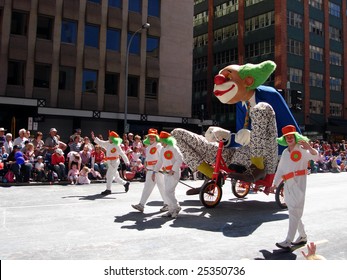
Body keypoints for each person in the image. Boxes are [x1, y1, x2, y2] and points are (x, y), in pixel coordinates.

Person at [172, 60, 300, 189]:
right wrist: (227, 137)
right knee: (177, 134)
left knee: (261, 109)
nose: (220, 81)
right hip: (238, 157)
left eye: (227, 77)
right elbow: (241, 139)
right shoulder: (240, 103)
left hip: (268, 156)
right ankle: (213, 177)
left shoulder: (269, 95)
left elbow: (295, 136)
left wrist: (291, 155)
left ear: (248, 81)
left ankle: (257, 168)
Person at [271, 125, 319, 250]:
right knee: (294, 212)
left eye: (291, 136)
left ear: (295, 137)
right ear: (285, 140)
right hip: (287, 185)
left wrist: (309, 148)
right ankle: (302, 236)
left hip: (299, 184)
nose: (289, 139)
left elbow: (316, 157)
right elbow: (280, 170)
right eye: (287, 137)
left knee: (293, 212)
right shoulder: (285, 153)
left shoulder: (302, 149)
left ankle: (288, 240)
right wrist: (274, 184)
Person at [132, 128, 169, 213]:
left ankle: (167, 204)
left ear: (156, 137)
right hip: (150, 170)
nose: (151, 138)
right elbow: (148, 158)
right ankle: (141, 204)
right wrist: (146, 164)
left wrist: (161, 168)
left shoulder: (159, 145)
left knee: (162, 187)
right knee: (147, 187)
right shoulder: (148, 147)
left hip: (157, 170)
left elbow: (161, 158)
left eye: (153, 136)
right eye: (150, 136)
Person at [152, 131, 183, 218]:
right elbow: (160, 162)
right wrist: (154, 171)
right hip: (166, 173)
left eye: (161, 140)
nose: (160, 142)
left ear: (165, 140)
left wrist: (173, 170)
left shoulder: (174, 148)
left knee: (168, 191)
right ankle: (171, 210)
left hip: (174, 173)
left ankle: (176, 207)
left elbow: (180, 159)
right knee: (168, 192)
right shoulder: (162, 149)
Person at [91, 130, 130, 195]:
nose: (108, 138)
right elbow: (101, 142)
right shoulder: (108, 143)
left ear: (113, 138)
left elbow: (122, 154)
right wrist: (94, 138)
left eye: (110, 137)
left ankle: (108, 189)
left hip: (115, 162)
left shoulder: (117, 145)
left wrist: (127, 161)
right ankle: (125, 183)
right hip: (109, 162)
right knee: (116, 177)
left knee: (109, 175)